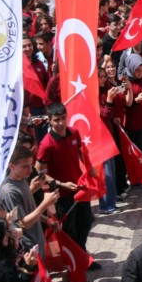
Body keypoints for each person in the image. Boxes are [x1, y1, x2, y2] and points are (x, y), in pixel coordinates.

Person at [36, 103, 97, 255]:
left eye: (63, 118)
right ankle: (74, 260)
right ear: (49, 120)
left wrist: (90, 167)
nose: (61, 123)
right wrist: (62, 184)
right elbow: (40, 173)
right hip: (62, 195)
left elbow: (80, 152)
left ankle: (81, 254)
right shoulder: (46, 144)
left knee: (86, 222)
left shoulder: (74, 132)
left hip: (79, 189)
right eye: (56, 120)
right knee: (70, 230)